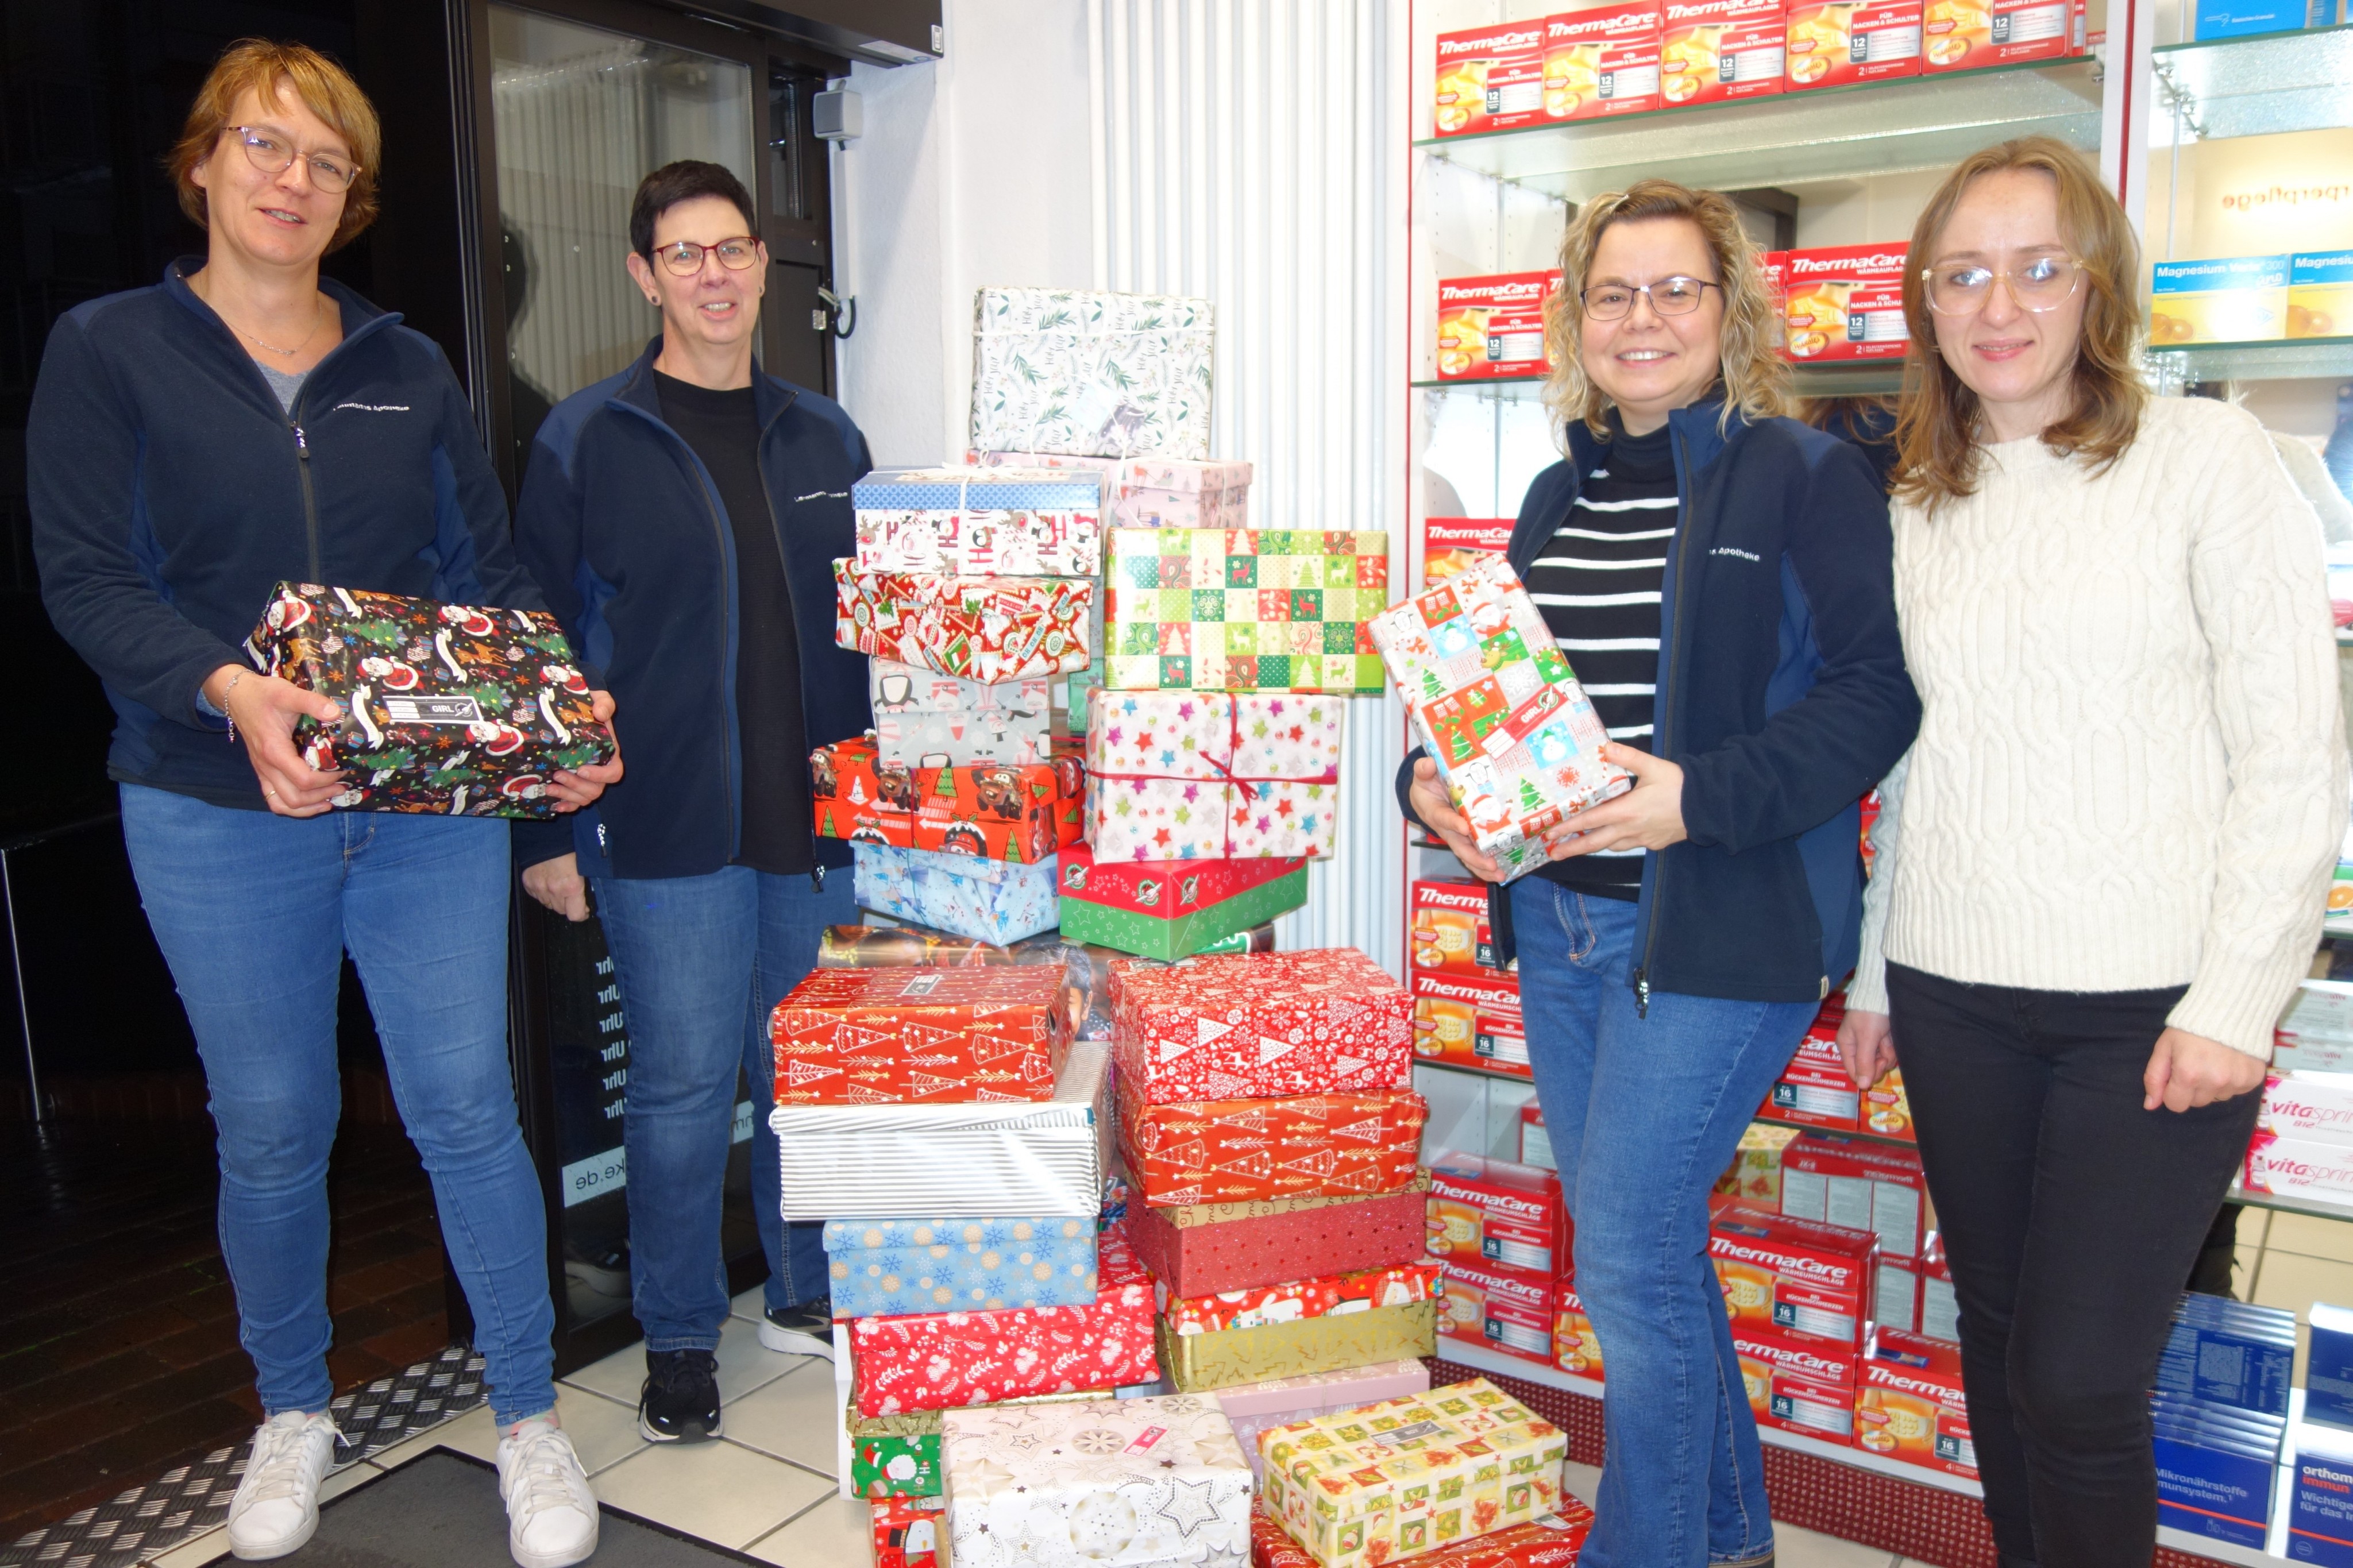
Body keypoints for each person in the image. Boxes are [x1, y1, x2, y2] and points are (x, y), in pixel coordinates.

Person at [26, 40, 614, 1568]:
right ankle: (293, 1409)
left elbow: (483, 581)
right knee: (274, 1125)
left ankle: (531, 1418)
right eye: (265, 147)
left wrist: (554, 724)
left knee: (468, 1108)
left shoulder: (406, 368)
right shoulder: (107, 349)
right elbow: (90, 579)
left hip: (423, 806)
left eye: (326, 161)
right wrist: (232, 692)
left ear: (354, 197)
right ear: (204, 162)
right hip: (213, 809)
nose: (293, 179)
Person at [1836, 136, 2346, 1568]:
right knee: (1997, 1346)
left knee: (2078, 1379)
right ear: (1925, 303)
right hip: (1951, 986)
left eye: (2038, 266)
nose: (2000, 303)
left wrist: (2236, 997)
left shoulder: (2204, 456)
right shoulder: (1912, 496)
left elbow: (2291, 753)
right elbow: (1919, 755)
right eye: (1962, 273)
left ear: (2097, 287)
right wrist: (1878, 970)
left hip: (2150, 1008)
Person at [1395, 180, 1919, 1567]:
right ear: (1575, 318)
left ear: (1728, 310)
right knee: (1651, 1254)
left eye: (1674, 290)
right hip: (1563, 926)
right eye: (1612, 293)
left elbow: (1874, 701)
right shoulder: (1551, 493)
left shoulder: (1802, 477)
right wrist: (1424, 784)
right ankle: (1729, 1535)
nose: (1642, 319)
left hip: (1723, 932)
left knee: (1625, 1255)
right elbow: (1487, 707)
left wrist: (1695, 800)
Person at [511, 160, 873, 1444]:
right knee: (675, 1092)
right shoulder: (588, 438)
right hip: (660, 832)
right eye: (684, 254)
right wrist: (546, 832)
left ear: (762, 266)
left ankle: (807, 1287)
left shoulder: (828, 437)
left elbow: (871, 636)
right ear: (642, 273)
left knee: (808, 1079)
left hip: (821, 828)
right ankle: (676, 1333)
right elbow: (536, 648)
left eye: (732, 250)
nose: (713, 275)